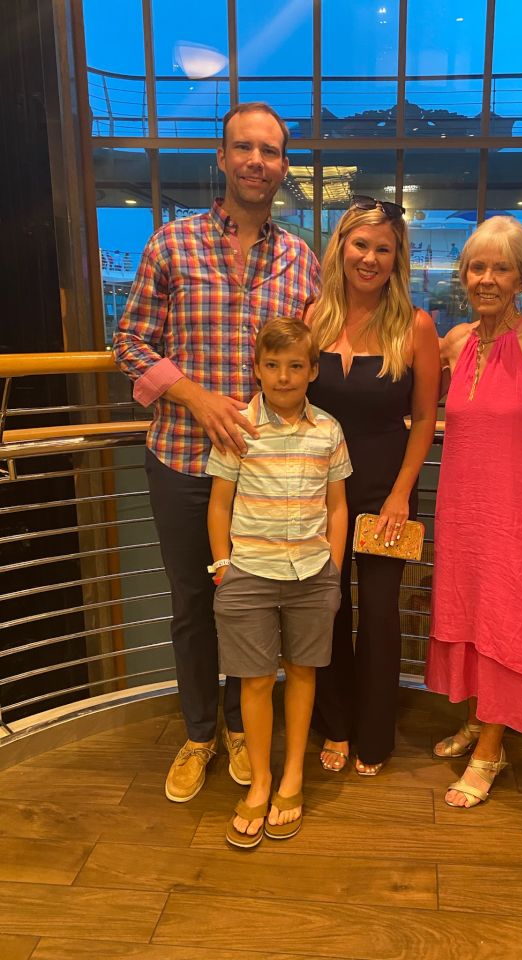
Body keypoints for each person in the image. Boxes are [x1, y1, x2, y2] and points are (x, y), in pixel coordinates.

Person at [112, 102, 320, 803]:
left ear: (283, 166)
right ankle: (200, 731)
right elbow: (129, 342)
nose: (257, 161)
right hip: (182, 458)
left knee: (251, 605)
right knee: (192, 603)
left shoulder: (302, 260)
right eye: (244, 148)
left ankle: (239, 727)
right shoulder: (171, 244)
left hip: (265, 472)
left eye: (270, 151)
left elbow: (321, 352)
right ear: (223, 158)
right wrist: (194, 397)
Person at [426, 215, 522, 808]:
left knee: (506, 623)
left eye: (501, 268)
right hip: (462, 510)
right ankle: (477, 717)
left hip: (518, 516)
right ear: (464, 275)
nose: (486, 279)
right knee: (466, 614)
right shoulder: (455, 342)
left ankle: (491, 749)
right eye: (477, 267)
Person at [307, 196, 441, 775]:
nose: (369, 258)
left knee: (382, 614)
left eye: (383, 249)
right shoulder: (312, 317)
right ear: (341, 247)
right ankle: (335, 725)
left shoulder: (416, 326)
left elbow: (426, 418)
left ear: (396, 259)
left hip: (389, 487)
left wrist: (400, 494)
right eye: (360, 245)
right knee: (328, 607)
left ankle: (375, 736)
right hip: (320, 490)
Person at [207, 318, 350, 847]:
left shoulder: (328, 430)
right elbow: (219, 504)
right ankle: (261, 781)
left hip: (312, 573)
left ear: (312, 371)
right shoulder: (239, 426)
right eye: (272, 365)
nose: (283, 377)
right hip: (249, 572)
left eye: (295, 366)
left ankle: (293, 776)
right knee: (255, 680)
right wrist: (222, 565)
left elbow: (337, 505)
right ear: (257, 368)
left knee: (303, 672)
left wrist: (333, 570)